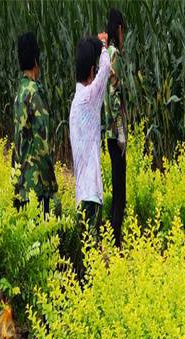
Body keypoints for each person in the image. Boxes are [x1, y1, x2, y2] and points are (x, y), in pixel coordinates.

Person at [69, 33, 112, 276]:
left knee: (84, 252)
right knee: (91, 254)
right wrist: (104, 44)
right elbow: (106, 70)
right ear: (91, 69)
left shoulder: (76, 102)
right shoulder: (88, 99)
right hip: (90, 194)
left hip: (80, 194)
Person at [12, 31, 58, 216]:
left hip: (21, 183)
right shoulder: (34, 93)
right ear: (36, 61)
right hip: (37, 184)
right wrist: (52, 185)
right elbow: (42, 143)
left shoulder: (19, 92)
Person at [104, 8, 127, 247]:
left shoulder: (104, 53)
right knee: (120, 190)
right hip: (116, 133)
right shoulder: (115, 55)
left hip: (107, 133)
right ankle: (116, 241)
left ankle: (114, 235)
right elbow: (115, 96)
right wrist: (122, 134)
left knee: (116, 184)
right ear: (119, 29)